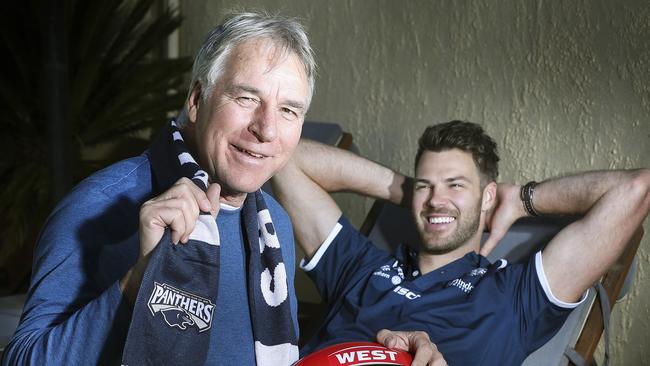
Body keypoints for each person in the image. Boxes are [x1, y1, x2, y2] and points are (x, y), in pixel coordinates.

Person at [1, 12, 442, 366]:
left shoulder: (276, 226)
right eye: (246, 98)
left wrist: (377, 356)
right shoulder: (99, 204)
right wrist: (139, 282)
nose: (266, 129)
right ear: (196, 101)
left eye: (289, 110)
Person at [271, 120, 650, 365]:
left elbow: (636, 190)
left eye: (456, 184)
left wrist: (520, 199)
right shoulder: (361, 266)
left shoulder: (515, 297)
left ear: (487, 197)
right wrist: (418, 193)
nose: (437, 199)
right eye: (426, 186)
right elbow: (286, 160)